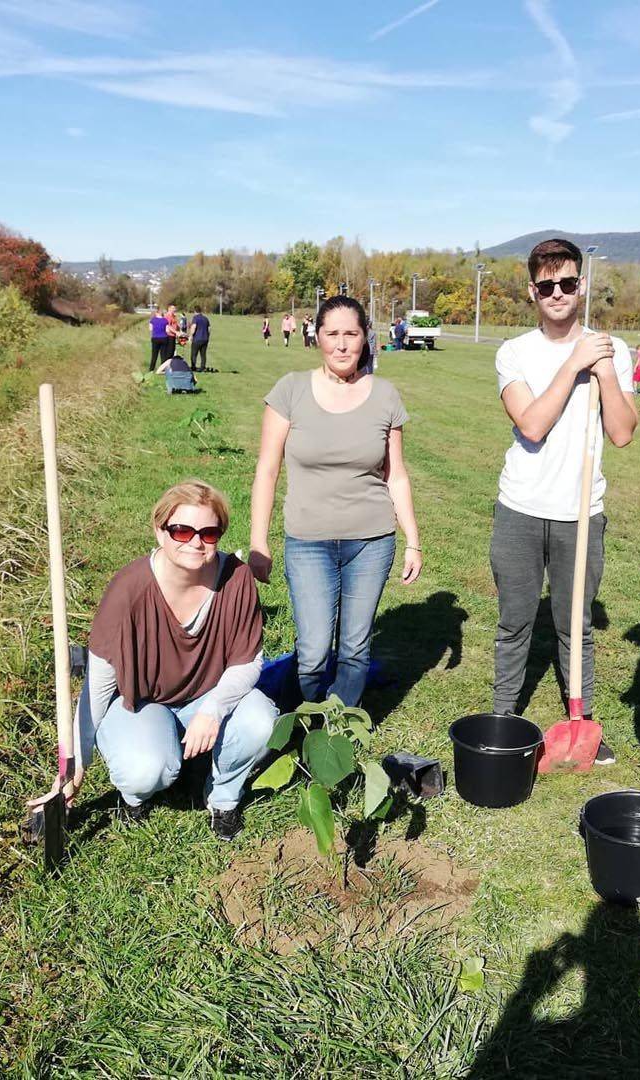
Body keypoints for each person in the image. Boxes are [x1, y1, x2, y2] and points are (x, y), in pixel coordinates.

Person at [491, 237, 638, 765]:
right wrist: (573, 364)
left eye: (568, 283)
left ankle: (583, 722)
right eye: (547, 285)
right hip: (522, 508)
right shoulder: (514, 352)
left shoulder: (610, 350)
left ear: (581, 286)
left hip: (581, 513)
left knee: (573, 623)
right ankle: (503, 717)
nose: (558, 293)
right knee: (514, 619)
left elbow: (621, 433)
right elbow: (531, 425)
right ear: (533, 291)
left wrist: (602, 372)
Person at [72, 480, 277, 840]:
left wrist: (212, 709)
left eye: (209, 533)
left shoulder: (237, 578)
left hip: (205, 695)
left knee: (261, 719)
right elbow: (99, 684)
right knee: (147, 769)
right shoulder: (128, 589)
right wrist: (76, 766)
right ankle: (135, 796)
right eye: (181, 530)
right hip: (141, 701)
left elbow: (247, 662)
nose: (195, 543)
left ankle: (223, 796)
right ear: (159, 530)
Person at [249, 295, 422, 707]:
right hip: (308, 542)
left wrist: (412, 538)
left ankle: (338, 735)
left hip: (372, 541)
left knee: (355, 650)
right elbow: (266, 470)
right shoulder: (290, 390)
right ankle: (307, 723)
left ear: (365, 339)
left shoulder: (385, 395)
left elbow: (395, 474)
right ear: (317, 336)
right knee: (311, 654)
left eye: (352, 334)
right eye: (333, 334)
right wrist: (259, 541)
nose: (342, 345)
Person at [189, 307, 212, 372]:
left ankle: (193, 367)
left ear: (195, 312)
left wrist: (191, 336)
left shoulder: (195, 318)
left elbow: (194, 327)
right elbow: (209, 329)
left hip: (197, 339)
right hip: (205, 339)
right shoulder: (206, 318)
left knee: (194, 354)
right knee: (203, 354)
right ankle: (202, 367)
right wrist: (207, 336)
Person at [148, 308, 170, 372]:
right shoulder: (165, 320)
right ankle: (162, 369)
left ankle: (151, 369)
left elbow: (150, 329)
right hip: (164, 338)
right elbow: (167, 330)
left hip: (155, 338)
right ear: (162, 313)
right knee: (163, 355)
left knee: (154, 354)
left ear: (156, 313)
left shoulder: (152, 320)